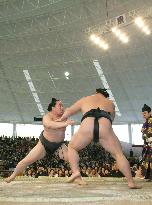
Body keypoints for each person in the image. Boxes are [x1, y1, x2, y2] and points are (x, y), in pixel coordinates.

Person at [57, 88, 141, 188]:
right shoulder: (110, 103)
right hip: (104, 126)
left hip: (87, 125)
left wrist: (60, 119)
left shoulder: (85, 99)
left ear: (96, 92)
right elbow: (111, 119)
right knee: (118, 154)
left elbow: (69, 111)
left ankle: (76, 174)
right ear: (105, 95)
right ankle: (131, 182)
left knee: (72, 147)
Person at [5, 98, 75, 183]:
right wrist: (64, 123)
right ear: (53, 108)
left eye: (62, 105)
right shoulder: (47, 117)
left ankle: (78, 177)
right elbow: (50, 125)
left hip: (59, 146)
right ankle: (12, 176)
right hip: (44, 144)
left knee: (73, 158)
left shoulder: (64, 116)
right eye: (59, 105)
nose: (62, 107)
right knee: (26, 161)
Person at [141, 104, 152, 181]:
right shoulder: (146, 122)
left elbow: (149, 133)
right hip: (147, 145)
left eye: (145, 113)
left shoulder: (151, 120)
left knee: (150, 161)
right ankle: (148, 176)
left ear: (149, 113)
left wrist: (143, 131)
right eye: (142, 113)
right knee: (147, 161)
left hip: (150, 144)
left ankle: (149, 176)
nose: (143, 115)